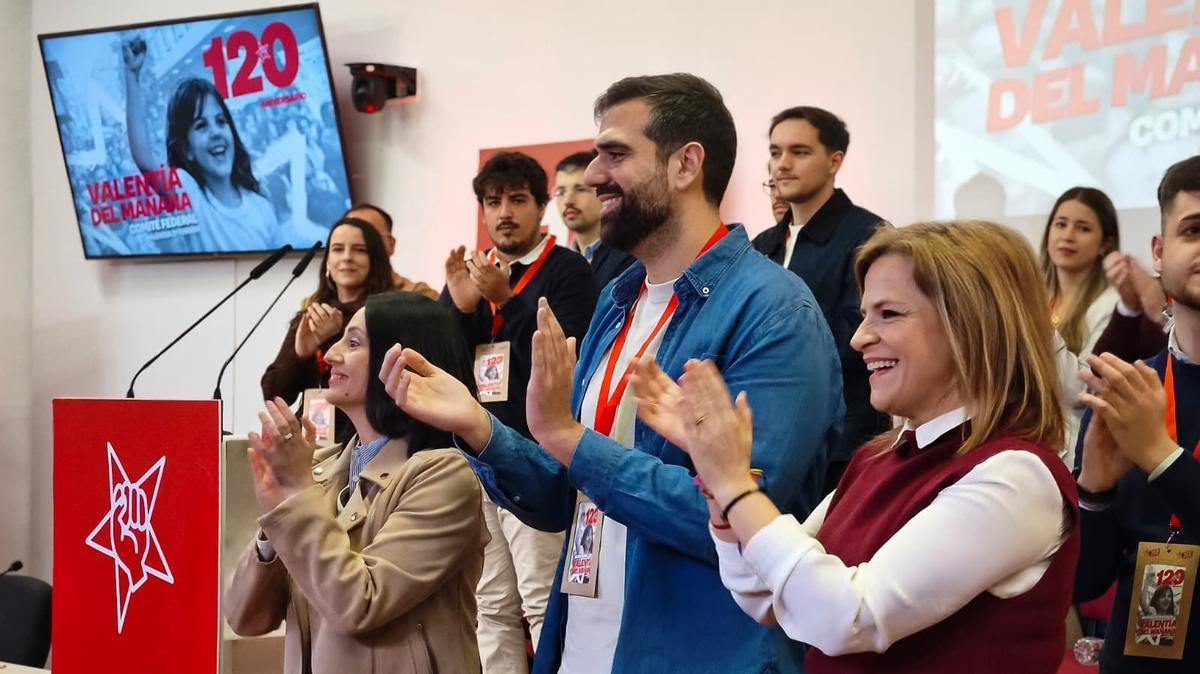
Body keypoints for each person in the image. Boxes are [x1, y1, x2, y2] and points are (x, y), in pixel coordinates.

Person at [380, 73, 842, 674]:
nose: (595, 174)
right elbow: (565, 496)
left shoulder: (774, 310)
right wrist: (478, 425)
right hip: (581, 647)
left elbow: (748, 522)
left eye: (615, 154)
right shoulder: (618, 300)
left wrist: (568, 437)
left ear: (686, 165)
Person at [656, 221, 1079, 672]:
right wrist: (720, 487)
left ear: (972, 326)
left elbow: (847, 617)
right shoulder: (879, 456)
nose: (859, 338)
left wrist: (734, 484)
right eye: (864, 316)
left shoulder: (1017, 475)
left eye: (889, 314)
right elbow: (765, 591)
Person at [225, 291, 488, 674]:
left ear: (402, 361)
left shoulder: (444, 475)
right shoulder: (321, 469)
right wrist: (274, 522)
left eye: (352, 343)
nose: (331, 354)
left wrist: (297, 496)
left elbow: (360, 604)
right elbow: (244, 618)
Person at [442, 151, 597, 674]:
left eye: (517, 200)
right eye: (493, 202)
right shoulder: (473, 274)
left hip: (537, 460)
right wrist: (459, 309)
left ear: (541, 206)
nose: (504, 213)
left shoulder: (568, 271)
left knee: (542, 601)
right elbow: (442, 365)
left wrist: (507, 300)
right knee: (489, 607)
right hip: (477, 457)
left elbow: (567, 358)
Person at [1074, 155, 1200, 672]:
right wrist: (1093, 496)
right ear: (1159, 252)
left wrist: (1159, 456)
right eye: (1194, 230)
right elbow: (1085, 583)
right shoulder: (1126, 390)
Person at [751, 106, 891, 492]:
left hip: (842, 445)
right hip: (766, 442)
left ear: (834, 161)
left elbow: (863, 333)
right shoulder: (761, 245)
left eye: (799, 152)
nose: (782, 164)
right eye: (775, 152)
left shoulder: (870, 236)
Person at [122, 36, 279, 253]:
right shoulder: (190, 195)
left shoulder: (261, 207)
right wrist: (132, 76)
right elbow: (144, 158)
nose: (215, 132)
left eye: (221, 121)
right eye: (201, 126)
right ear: (187, 150)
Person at [262, 217, 395, 445]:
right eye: (338, 249)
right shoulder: (313, 314)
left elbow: (382, 385)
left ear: (375, 260)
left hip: (365, 441)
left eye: (359, 250)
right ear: (327, 262)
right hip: (310, 440)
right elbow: (274, 393)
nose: (347, 257)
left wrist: (334, 338)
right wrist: (301, 353)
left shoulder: (388, 314)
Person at [1040, 187, 1122, 360]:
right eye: (1061, 225)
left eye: (1083, 229)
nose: (1067, 236)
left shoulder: (1111, 305)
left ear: (1106, 244)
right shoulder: (1034, 295)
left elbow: (1086, 374)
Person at [553, 151, 635, 291]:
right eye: (560, 192)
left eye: (580, 189)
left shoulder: (631, 256)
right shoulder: (557, 263)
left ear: (603, 192)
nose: (568, 201)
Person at [344, 203, 439, 299]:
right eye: (339, 248)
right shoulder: (334, 297)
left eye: (370, 236)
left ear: (391, 244)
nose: (347, 256)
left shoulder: (418, 297)